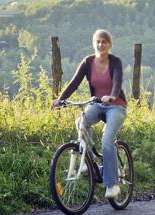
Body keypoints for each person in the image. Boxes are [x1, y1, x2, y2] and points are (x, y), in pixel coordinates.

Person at [51, 29, 127, 199]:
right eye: (98, 41)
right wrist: (60, 99)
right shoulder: (88, 62)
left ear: (109, 44)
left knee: (107, 140)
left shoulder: (115, 62)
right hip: (97, 104)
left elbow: (117, 81)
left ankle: (112, 185)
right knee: (81, 121)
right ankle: (88, 159)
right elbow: (74, 83)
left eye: (104, 42)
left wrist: (112, 96)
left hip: (116, 106)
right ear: (94, 43)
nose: (101, 45)